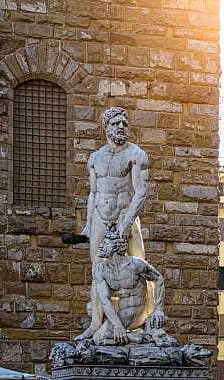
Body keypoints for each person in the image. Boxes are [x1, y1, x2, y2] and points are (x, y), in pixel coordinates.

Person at [73, 107, 151, 341]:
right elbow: (93, 193)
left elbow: (141, 192)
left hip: (124, 217)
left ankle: (143, 319)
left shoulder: (136, 155)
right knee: (98, 271)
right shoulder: (95, 158)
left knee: (139, 268)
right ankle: (96, 324)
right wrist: (88, 225)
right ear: (105, 127)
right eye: (116, 123)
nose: (121, 127)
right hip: (99, 218)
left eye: (124, 123)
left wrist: (125, 226)